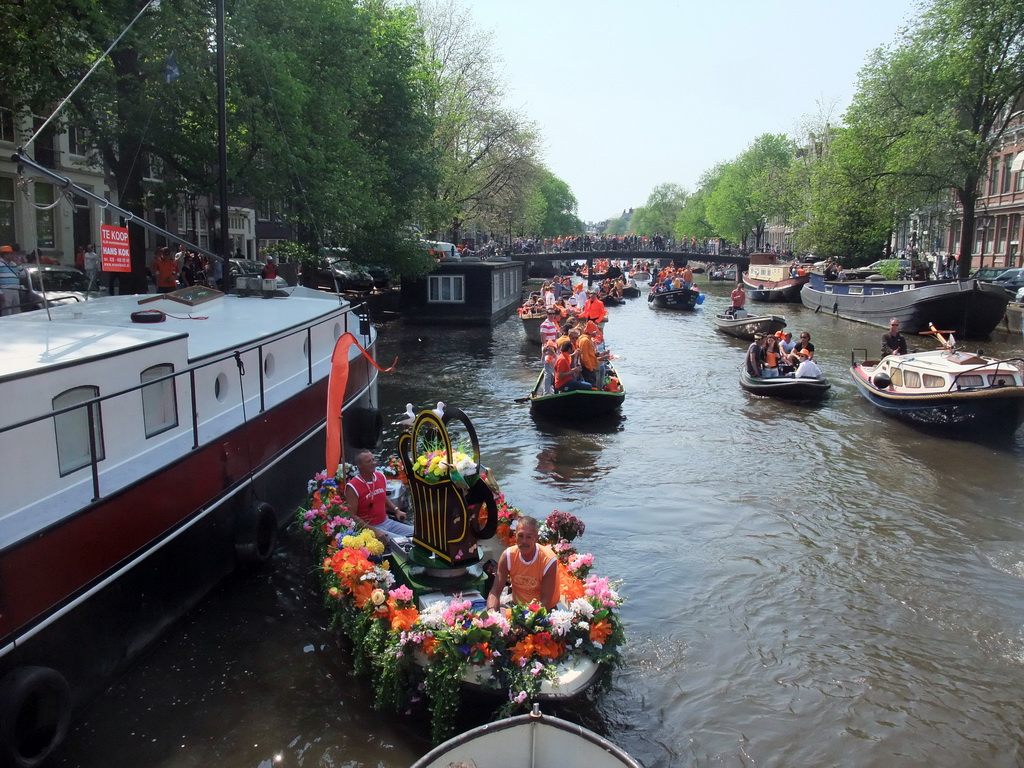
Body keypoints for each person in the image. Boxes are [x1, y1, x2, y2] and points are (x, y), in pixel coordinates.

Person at [486, 515, 559, 611]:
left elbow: (546, 601)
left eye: (529, 537)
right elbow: (495, 591)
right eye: (520, 536)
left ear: (536, 538)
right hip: (517, 606)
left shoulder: (549, 560)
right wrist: (492, 613)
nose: (524, 541)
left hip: (543, 611)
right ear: (515, 535)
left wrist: (527, 621)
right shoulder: (507, 556)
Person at [344, 450, 413, 545]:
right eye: (369, 461)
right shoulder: (352, 487)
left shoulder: (380, 477)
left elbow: (382, 496)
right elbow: (352, 515)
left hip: (387, 522)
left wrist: (396, 510)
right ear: (359, 465)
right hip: (370, 527)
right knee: (403, 543)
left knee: (417, 533)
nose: (373, 463)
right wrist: (374, 531)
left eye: (373, 460)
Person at [0, 245, 21, 315]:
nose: (12, 255)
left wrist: (19, 265)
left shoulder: (14, 264)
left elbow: (23, 275)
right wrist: (0, 293)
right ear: (4, 255)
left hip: (15, 291)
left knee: (17, 311)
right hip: (5, 290)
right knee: (7, 312)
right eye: (9, 254)